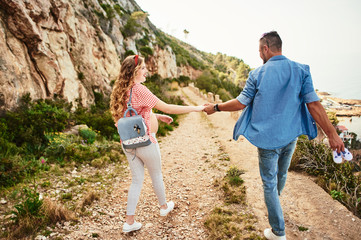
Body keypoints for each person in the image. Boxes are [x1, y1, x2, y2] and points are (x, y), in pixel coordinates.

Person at [203, 31, 344, 240]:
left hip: (267, 140)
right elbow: (314, 104)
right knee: (282, 174)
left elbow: (240, 103)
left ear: (265, 49)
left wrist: (215, 107)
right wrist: (333, 135)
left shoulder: (257, 74)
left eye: (260, 50)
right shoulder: (301, 70)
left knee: (269, 182)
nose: (260, 54)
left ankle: (278, 231)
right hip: (291, 137)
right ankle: (274, 203)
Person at [110, 55, 204, 233]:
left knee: (136, 180)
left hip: (128, 143)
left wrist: (156, 117)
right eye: (144, 68)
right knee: (156, 174)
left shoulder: (120, 90)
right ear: (136, 71)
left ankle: (129, 222)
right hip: (146, 141)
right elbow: (167, 106)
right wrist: (195, 108)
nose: (147, 71)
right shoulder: (140, 89)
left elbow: (131, 115)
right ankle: (163, 206)